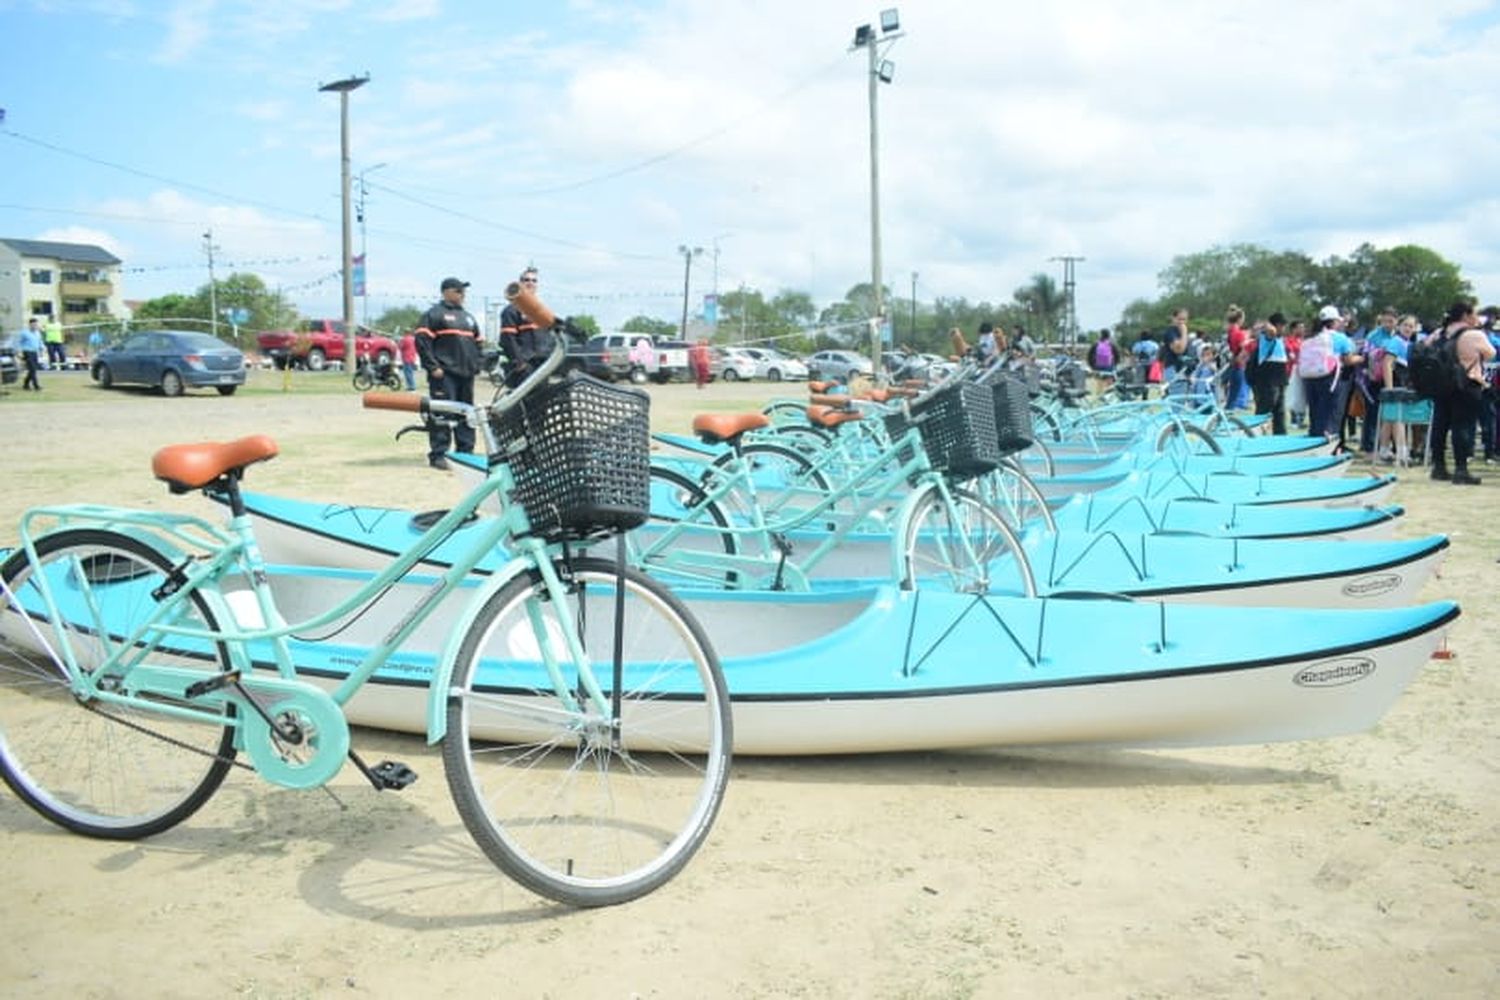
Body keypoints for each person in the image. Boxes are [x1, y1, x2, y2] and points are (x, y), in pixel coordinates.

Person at [414, 276, 484, 470]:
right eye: (459, 291)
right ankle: (439, 455)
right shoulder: (434, 315)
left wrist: (477, 364)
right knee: (442, 415)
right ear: (447, 292)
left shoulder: (468, 317)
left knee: (466, 414)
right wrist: (433, 367)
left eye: (464, 291)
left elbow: (479, 343)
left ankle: (465, 454)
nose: (463, 295)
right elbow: (421, 341)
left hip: (466, 375)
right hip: (444, 375)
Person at [1427, 300, 1496, 484]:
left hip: (1442, 385)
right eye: (1474, 314)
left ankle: (1439, 467)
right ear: (1466, 315)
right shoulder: (1474, 334)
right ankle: (1461, 469)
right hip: (1467, 384)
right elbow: (1491, 354)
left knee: (1440, 425)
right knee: (1463, 426)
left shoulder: (1439, 333)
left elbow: (1426, 349)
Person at [498, 268, 547, 387]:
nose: (531, 283)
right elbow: (508, 339)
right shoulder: (511, 310)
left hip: (542, 365)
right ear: (520, 284)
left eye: (534, 281)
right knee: (524, 403)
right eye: (527, 280)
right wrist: (519, 363)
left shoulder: (541, 311)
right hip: (524, 367)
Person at [1246, 313, 1289, 435]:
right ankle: (1256, 433)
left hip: (1280, 377)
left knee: (1279, 411)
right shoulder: (1267, 336)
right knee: (1265, 408)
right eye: (1282, 325)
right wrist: (1267, 325)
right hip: (1268, 378)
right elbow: (1271, 331)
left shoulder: (1280, 339)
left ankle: (1280, 435)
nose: (1284, 328)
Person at [1224, 306, 1251, 409]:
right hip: (1238, 364)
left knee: (1232, 393)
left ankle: (1228, 412)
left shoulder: (1230, 331)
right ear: (1240, 319)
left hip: (1233, 363)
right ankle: (1228, 415)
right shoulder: (1239, 333)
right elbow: (1243, 348)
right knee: (1234, 395)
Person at [17, 318, 43, 390]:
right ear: (30, 325)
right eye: (33, 325)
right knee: (32, 369)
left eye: (36, 324)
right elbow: (19, 342)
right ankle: (36, 386)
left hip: (35, 352)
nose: (35, 326)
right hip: (27, 352)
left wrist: (41, 349)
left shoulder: (37, 333)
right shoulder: (24, 333)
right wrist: (19, 352)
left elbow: (40, 342)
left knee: (33, 369)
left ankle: (26, 384)